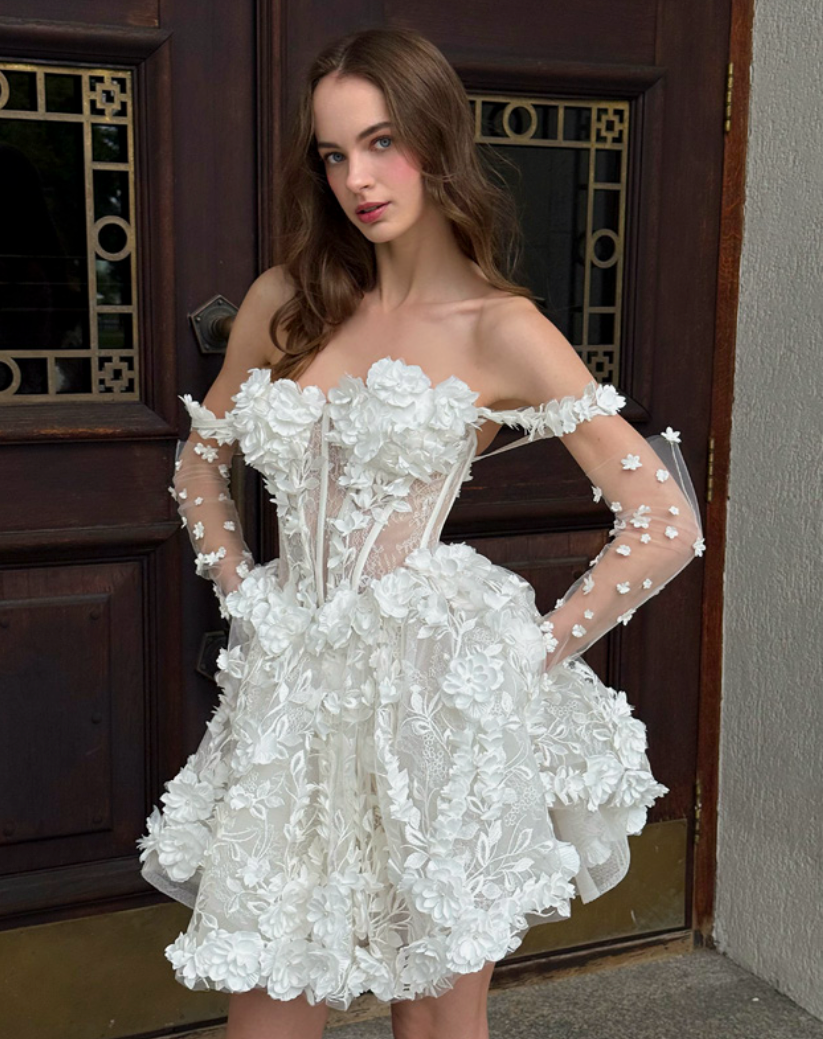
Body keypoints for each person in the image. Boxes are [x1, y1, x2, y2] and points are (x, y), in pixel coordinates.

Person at [136, 26, 705, 1039]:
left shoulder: (500, 327)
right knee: (265, 1014)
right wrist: (245, 597)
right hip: (292, 708)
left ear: (437, 139)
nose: (358, 176)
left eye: (382, 141)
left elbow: (662, 521)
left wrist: (520, 660)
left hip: (434, 713)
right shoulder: (287, 302)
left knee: (437, 1020)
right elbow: (199, 462)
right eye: (334, 152)